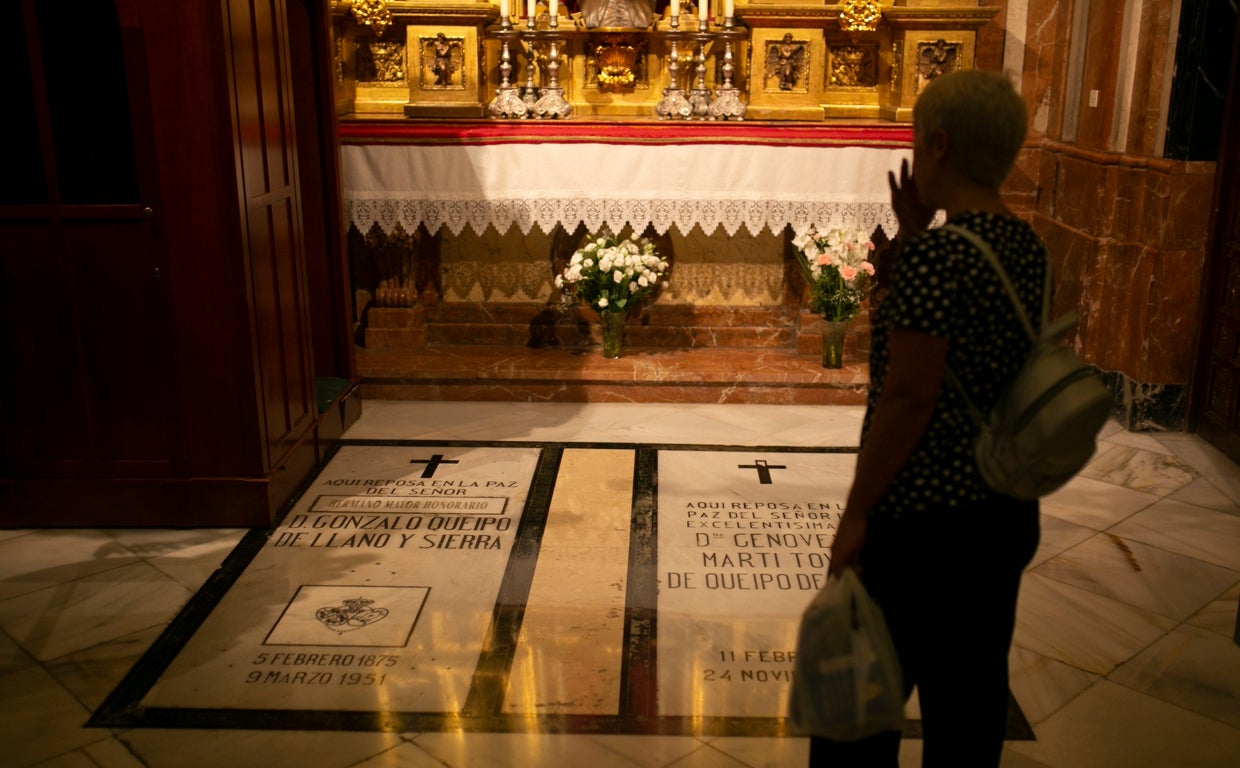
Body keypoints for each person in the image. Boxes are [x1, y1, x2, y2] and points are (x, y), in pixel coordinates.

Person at [813, 69, 1044, 767]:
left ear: (938, 146)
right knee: (968, 705)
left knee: (856, 718)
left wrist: (856, 514)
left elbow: (911, 397)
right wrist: (914, 236)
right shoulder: (1025, 245)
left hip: (920, 518)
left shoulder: (939, 260)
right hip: (1000, 509)